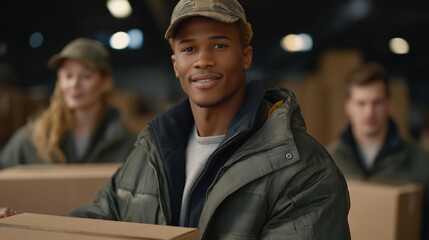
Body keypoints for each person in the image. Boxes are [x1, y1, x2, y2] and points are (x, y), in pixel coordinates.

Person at [1, 0, 351, 239]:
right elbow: (104, 217)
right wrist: (29, 227)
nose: (202, 60)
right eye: (188, 49)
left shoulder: (304, 168)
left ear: (245, 56)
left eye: (219, 45)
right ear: (175, 65)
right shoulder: (149, 149)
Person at [327, 62, 429, 239]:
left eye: (377, 102)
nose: (369, 112)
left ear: (389, 104)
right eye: (361, 103)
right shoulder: (328, 161)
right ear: (348, 106)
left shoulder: (421, 161)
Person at [0, 38, 137, 169]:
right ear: (59, 82)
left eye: (86, 76)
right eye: (68, 76)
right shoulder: (32, 139)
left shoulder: (128, 143)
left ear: (106, 82)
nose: (74, 84)